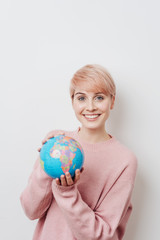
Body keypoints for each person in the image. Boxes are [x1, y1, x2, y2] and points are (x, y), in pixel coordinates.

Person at [20, 64, 137, 240]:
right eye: (81, 98)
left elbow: (100, 235)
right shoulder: (57, 145)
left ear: (112, 101)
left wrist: (67, 192)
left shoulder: (124, 160)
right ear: (73, 101)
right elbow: (30, 211)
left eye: (99, 97)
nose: (90, 107)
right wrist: (46, 166)